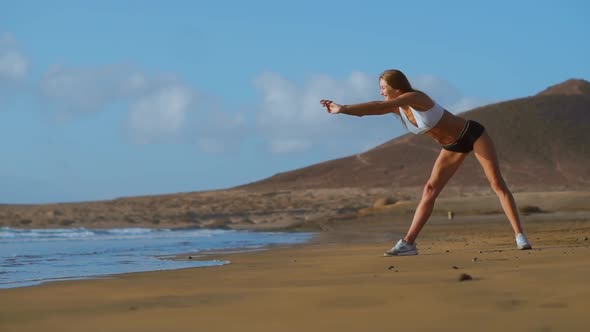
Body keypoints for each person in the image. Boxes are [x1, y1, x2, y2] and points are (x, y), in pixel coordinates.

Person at [320, 69, 532, 256]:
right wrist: (342, 111)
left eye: (383, 87)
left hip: (472, 134)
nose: (381, 91)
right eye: (380, 88)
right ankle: (408, 243)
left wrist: (343, 108)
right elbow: (371, 110)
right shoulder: (397, 108)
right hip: (452, 146)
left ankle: (520, 235)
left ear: (396, 86)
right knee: (429, 189)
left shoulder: (415, 97)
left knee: (496, 183)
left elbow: (376, 105)